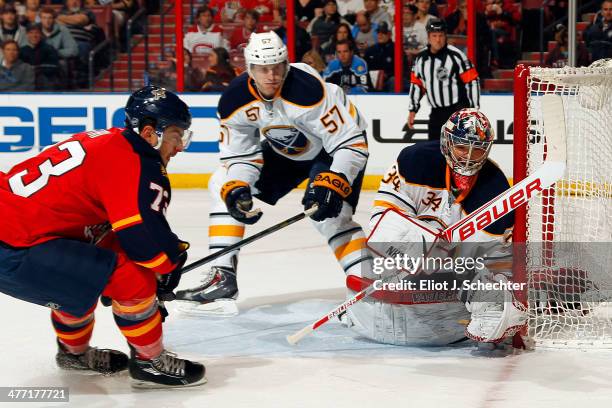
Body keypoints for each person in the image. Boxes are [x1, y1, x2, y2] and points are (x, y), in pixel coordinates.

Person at [0, 86, 206, 389]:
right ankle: (150, 362)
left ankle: (74, 355)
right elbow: (144, 242)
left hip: (18, 230)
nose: (180, 147)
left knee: (82, 277)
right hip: (19, 244)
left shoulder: (106, 139)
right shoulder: (137, 163)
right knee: (133, 276)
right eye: (177, 135)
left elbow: (103, 224)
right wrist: (168, 265)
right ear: (151, 133)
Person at [175, 32, 372, 315]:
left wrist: (336, 179)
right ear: (248, 68)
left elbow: (351, 144)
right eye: (263, 69)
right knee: (223, 183)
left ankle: (369, 282)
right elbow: (241, 156)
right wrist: (240, 186)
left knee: (330, 216)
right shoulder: (234, 100)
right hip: (287, 151)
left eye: (277, 66)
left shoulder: (308, 91)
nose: (271, 75)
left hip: (335, 149)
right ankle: (222, 276)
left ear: (286, 64)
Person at [345, 108, 522, 346]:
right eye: (462, 147)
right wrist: (421, 248)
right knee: (392, 235)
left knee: (489, 271)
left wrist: (450, 259)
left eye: (477, 148)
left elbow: (490, 256)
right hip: (405, 263)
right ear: (446, 142)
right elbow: (382, 222)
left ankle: (491, 307)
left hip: (453, 280)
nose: (468, 157)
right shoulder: (414, 161)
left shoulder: (495, 188)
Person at [407, 18, 480, 140]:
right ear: (428, 37)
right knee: (434, 149)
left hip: (457, 111)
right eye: (434, 35)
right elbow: (417, 84)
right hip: (436, 113)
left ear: (445, 36)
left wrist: (473, 110)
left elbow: (472, 81)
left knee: (457, 150)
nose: (438, 40)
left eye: (441, 35)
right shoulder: (420, 58)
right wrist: (413, 110)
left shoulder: (456, 56)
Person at [19, 23, 60, 90]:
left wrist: (36, 69)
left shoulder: (49, 49)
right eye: (31, 33)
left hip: (44, 79)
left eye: (37, 33)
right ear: (27, 35)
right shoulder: (22, 51)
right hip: (26, 80)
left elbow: (53, 67)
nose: (34, 35)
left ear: (41, 35)